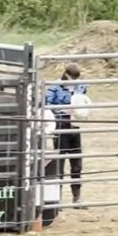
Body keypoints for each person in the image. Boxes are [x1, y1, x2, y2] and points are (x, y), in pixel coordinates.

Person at [45, 63, 87, 206]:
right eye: (72, 77)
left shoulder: (81, 86)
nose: (74, 81)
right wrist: (62, 110)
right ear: (67, 75)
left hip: (74, 125)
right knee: (60, 163)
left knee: (76, 164)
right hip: (61, 125)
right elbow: (47, 104)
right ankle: (58, 199)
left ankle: (77, 197)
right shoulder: (55, 87)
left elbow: (83, 102)